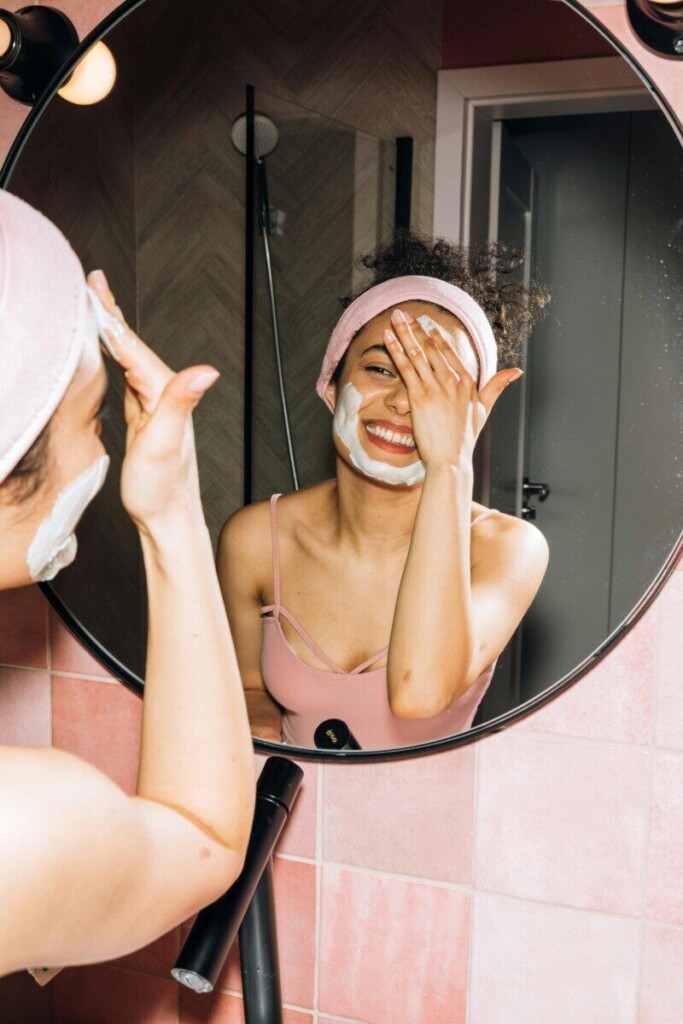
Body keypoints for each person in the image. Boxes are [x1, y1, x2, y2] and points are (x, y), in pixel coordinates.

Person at [0, 190, 254, 978]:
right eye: (94, 419)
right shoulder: (23, 831)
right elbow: (202, 837)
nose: (103, 442)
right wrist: (172, 509)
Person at [218, 231, 550, 749]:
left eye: (435, 387)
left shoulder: (507, 550)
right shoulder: (254, 538)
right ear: (331, 381)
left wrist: (450, 464)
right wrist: (260, 729)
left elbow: (420, 695)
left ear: (471, 416)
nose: (403, 403)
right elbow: (248, 685)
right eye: (379, 369)